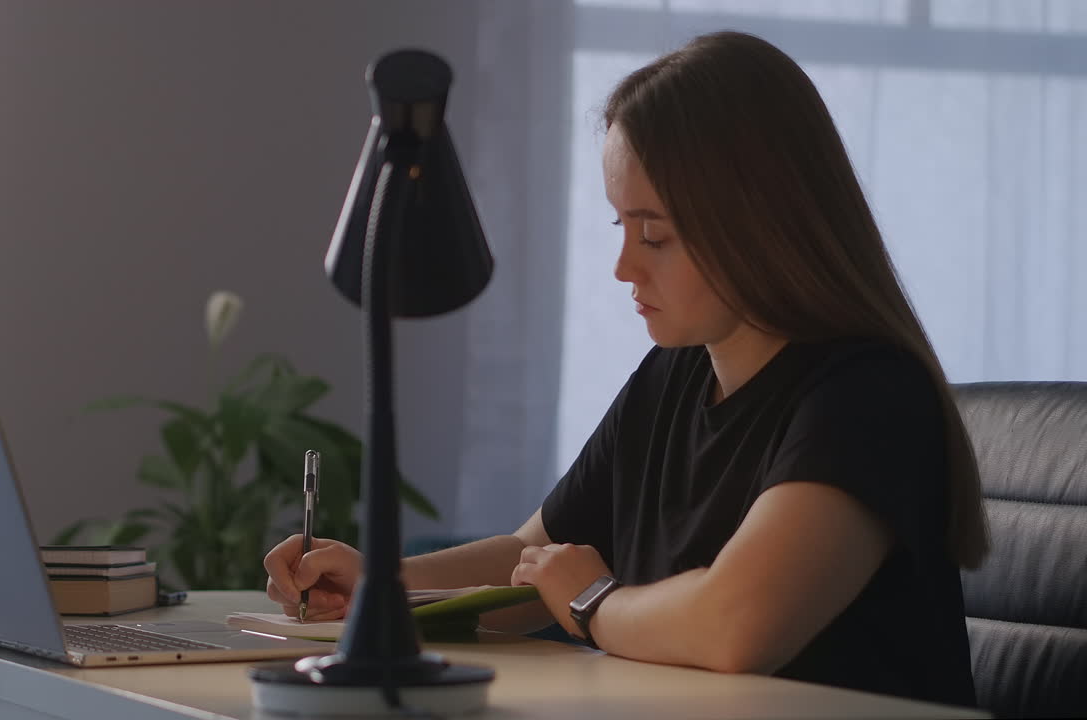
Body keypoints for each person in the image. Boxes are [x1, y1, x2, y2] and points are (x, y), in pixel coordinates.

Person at [263, 30, 988, 708]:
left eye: (656, 235)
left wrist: (593, 601)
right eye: (622, 226)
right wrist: (382, 585)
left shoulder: (867, 397)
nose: (623, 267)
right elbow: (530, 560)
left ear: (763, 222)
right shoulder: (673, 374)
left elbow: (735, 626)